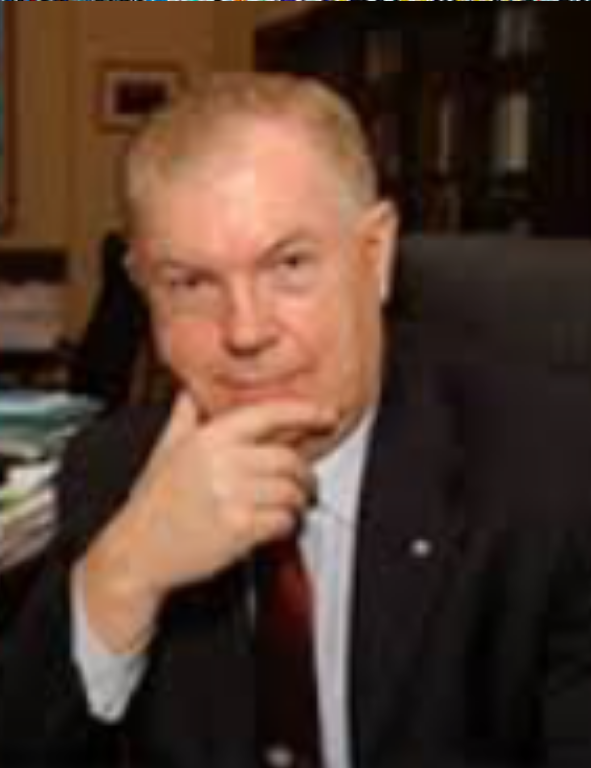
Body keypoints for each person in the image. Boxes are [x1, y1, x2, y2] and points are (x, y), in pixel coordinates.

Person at [1, 72, 591, 768]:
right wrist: (126, 573)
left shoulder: (555, 468)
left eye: (289, 265)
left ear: (373, 256)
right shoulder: (113, 474)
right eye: (190, 283)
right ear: (143, 290)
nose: (245, 332)